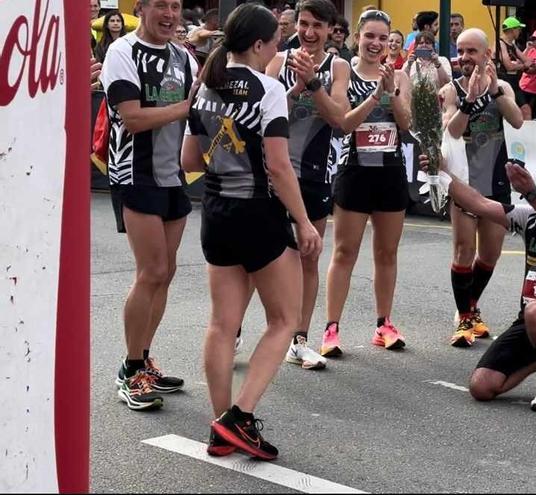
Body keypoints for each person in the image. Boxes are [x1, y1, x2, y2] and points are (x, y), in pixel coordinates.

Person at [181, 3, 321, 461]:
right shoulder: (266, 88)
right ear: (260, 44)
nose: (280, 46)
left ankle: (222, 425)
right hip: (258, 212)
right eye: (277, 40)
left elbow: (188, 161)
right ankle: (238, 417)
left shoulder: (206, 82)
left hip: (216, 211)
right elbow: (280, 167)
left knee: (223, 323)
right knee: (285, 319)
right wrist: (303, 222)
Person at [420, 151, 536, 412]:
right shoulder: (528, 216)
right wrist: (441, 172)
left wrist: (532, 193)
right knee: (481, 387)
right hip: (530, 321)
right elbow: (477, 203)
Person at [100, 0, 198, 410]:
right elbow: (133, 118)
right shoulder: (121, 51)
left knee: (167, 271)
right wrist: (186, 107)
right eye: (160, 5)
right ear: (141, 8)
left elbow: (201, 110)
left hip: (172, 175)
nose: (170, 14)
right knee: (151, 270)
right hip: (133, 173)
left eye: (175, 6)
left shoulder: (184, 57)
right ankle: (129, 369)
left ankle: (143, 359)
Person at [320, 9, 412, 357]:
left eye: (383, 38)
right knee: (345, 251)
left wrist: (391, 92)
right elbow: (343, 122)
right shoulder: (345, 70)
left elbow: (404, 124)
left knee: (386, 253)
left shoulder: (399, 75)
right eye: (369, 36)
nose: (376, 44)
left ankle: (383, 324)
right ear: (358, 36)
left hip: (389, 172)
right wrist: (376, 96)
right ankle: (331, 328)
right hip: (354, 170)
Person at [264, 0, 351, 370]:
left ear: (331, 29)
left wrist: (314, 83)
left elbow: (340, 119)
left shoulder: (338, 67)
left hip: (315, 173)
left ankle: (299, 339)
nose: (309, 32)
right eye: (303, 24)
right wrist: (296, 88)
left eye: (317, 25)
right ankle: (236, 326)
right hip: (274, 171)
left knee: (308, 256)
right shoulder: (278, 61)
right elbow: (263, 111)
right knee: (261, 256)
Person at [439, 28, 524, 347]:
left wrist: (494, 91)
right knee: (464, 249)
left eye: (471, 51)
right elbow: (453, 131)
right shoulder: (451, 90)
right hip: (464, 182)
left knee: (490, 253)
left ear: (487, 55)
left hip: (496, 182)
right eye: (460, 51)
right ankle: (463, 318)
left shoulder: (502, 86)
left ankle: (471, 306)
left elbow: (517, 121)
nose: (464, 58)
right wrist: (470, 100)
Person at [496, 16, 531, 120]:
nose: (520, 31)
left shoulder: (512, 45)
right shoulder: (500, 44)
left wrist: (523, 64)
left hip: (514, 83)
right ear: (512, 30)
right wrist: (523, 66)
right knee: (508, 112)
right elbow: (509, 66)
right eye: (518, 29)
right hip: (503, 83)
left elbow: (527, 60)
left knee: (525, 109)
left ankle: (525, 135)